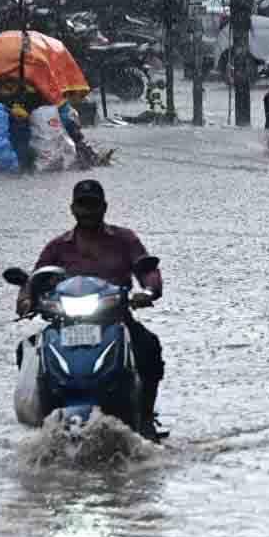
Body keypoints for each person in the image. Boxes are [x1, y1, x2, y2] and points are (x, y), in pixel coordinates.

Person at [15, 180, 166, 439]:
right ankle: (42, 420)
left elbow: (147, 270)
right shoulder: (58, 246)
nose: (88, 211)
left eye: (93, 205)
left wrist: (148, 291)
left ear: (104, 207)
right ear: (73, 208)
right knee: (25, 349)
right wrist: (27, 300)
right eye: (82, 205)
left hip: (114, 319)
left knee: (149, 347)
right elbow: (35, 279)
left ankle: (145, 417)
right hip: (66, 322)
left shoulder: (124, 239)